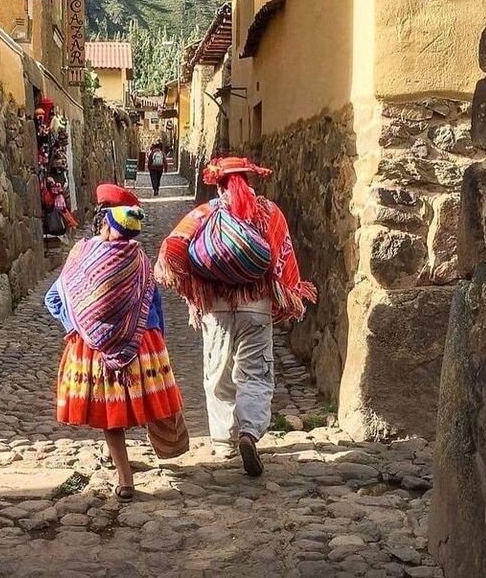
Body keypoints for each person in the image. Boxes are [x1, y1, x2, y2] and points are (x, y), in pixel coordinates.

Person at [155, 156, 317, 478]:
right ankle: (249, 433)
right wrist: (283, 297)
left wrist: (193, 285)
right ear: (249, 179)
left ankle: (225, 442)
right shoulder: (269, 213)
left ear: (218, 184)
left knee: (218, 374)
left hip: (215, 308)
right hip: (256, 307)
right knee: (255, 375)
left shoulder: (204, 213)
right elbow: (282, 260)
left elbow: (172, 249)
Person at [46, 204, 182, 501]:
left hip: (96, 349)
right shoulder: (141, 262)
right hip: (143, 344)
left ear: (106, 227)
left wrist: (78, 325)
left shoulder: (82, 258)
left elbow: (53, 298)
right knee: (144, 405)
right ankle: (161, 447)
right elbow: (154, 303)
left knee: (112, 413)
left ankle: (125, 478)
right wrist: (159, 340)